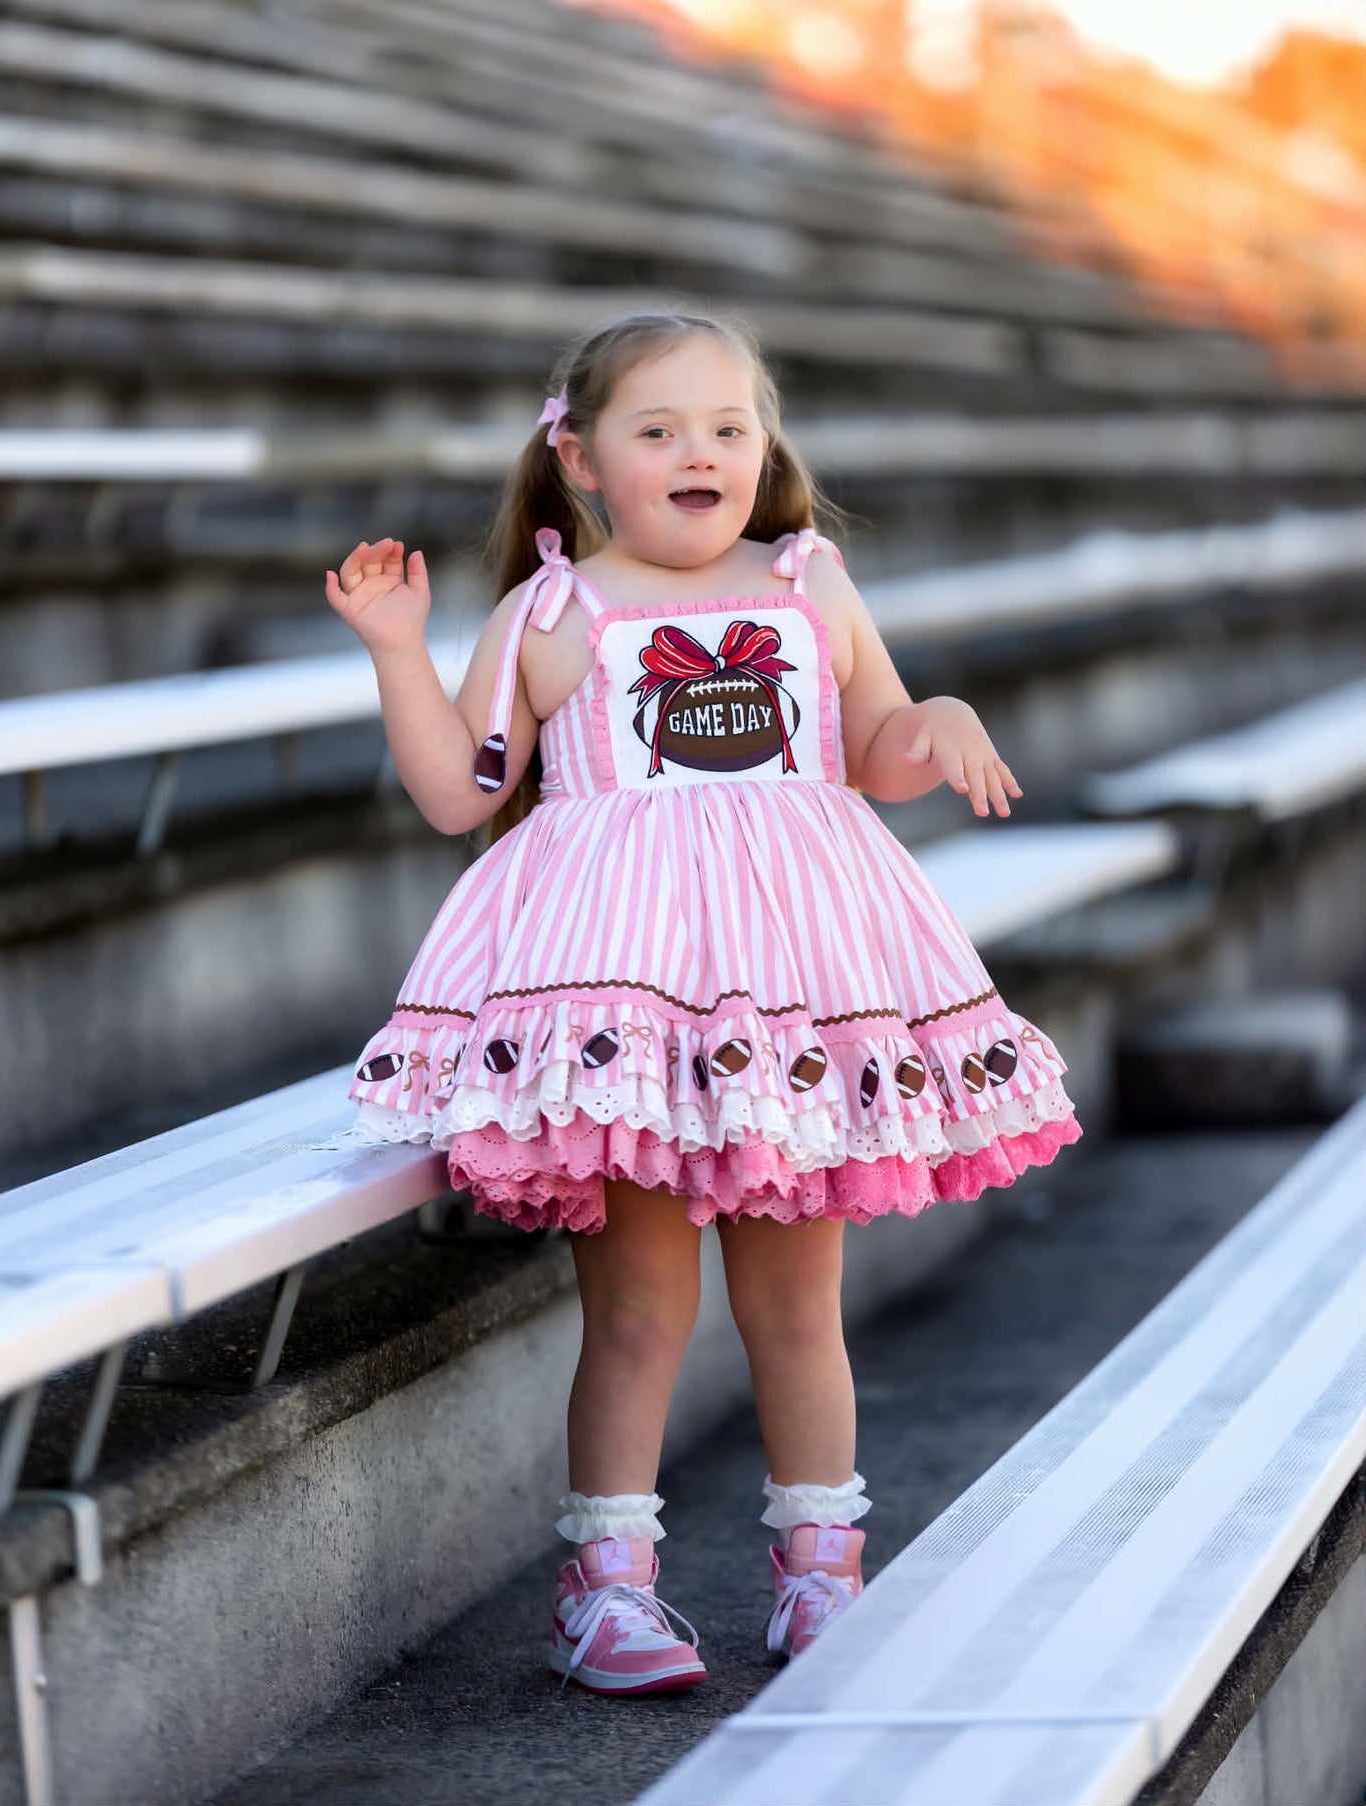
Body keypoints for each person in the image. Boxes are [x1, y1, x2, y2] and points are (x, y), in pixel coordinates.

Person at [323, 309, 1082, 1696]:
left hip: (796, 997)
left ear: (763, 446)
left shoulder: (806, 586)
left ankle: (819, 1577)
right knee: (640, 1309)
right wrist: (394, 649)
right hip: (635, 1014)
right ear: (580, 455)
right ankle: (606, 1591)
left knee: (800, 1307)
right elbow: (462, 793)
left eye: (728, 427)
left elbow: (871, 751)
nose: (702, 452)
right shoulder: (555, 613)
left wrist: (941, 722)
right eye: (658, 428)